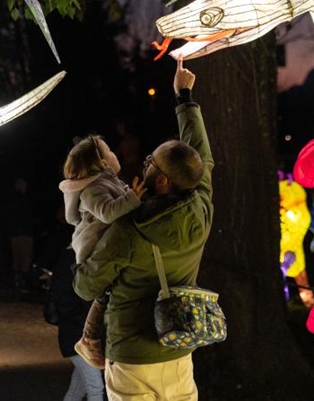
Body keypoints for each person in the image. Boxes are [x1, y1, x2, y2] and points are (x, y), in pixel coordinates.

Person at [74, 57, 213, 400]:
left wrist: (82, 251)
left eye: (151, 162)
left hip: (132, 357)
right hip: (178, 349)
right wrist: (185, 97)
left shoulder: (130, 228)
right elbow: (201, 157)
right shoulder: (202, 207)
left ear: (162, 181)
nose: (146, 163)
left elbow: (85, 286)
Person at [59, 133, 145, 367]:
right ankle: (89, 338)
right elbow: (108, 212)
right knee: (103, 294)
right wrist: (132, 198)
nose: (115, 153)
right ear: (102, 162)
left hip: (105, 247)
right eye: (110, 151)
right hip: (94, 249)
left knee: (105, 295)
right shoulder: (93, 189)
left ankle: (91, 338)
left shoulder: (108, 181)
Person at [49, 243, 106, 401]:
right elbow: (65, 301)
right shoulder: (72, 260)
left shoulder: (74, 258)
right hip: (77, 334)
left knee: (78, 389)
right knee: (95, 388)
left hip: (76, 334)